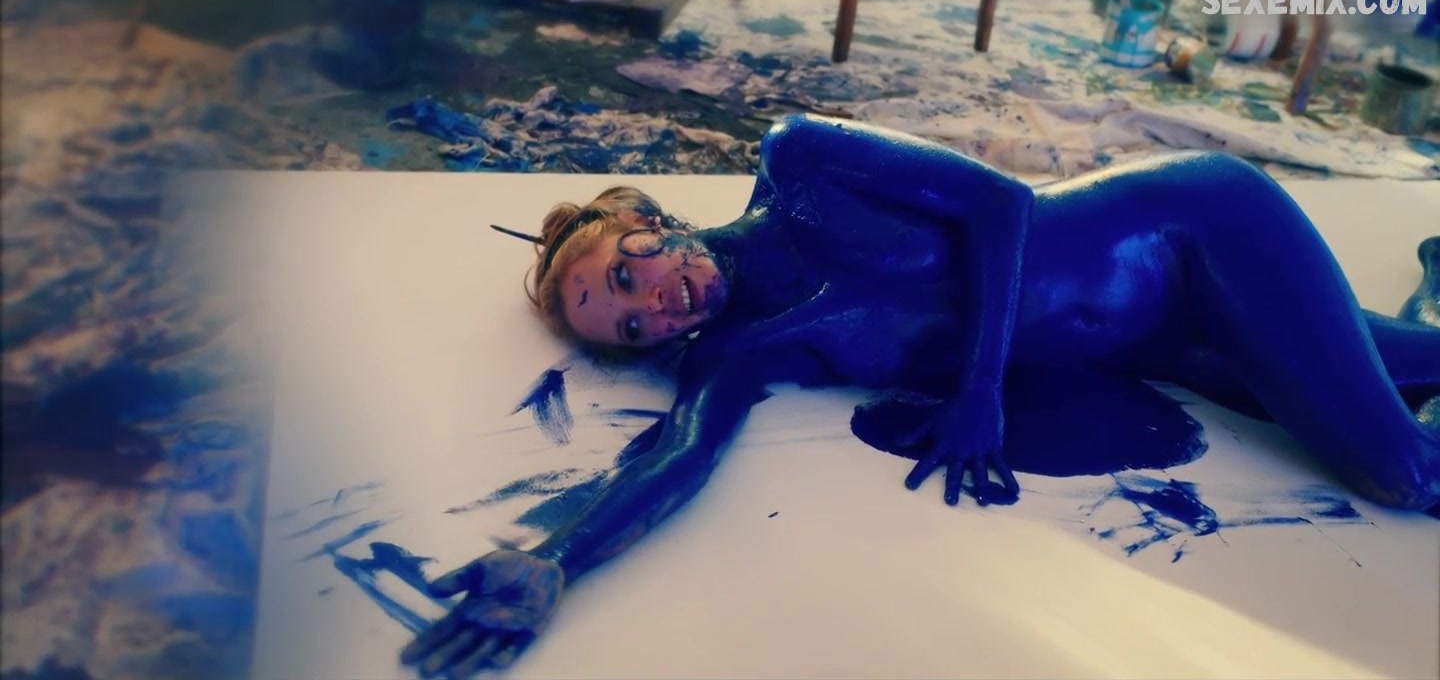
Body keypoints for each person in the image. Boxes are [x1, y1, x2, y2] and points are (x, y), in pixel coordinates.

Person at [400, 114, 1440, 678]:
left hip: (1191, 234)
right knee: (1405, 366)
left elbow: (1002, 204)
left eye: (628, 270)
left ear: (651, 222)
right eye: (628, 327)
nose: (652, 304)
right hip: (1156, 343)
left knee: (1399, 471)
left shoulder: (800, 163)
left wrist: (980, 390)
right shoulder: (741, 354)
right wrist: (555, 560)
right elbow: (680, 454)